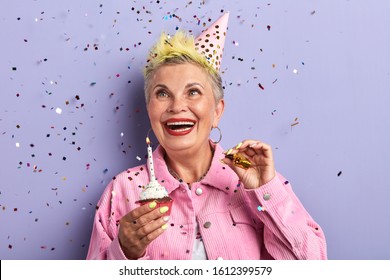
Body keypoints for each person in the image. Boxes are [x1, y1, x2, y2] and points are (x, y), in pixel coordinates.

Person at [86, 13, 327, 260]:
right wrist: (123, 252)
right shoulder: (123, 189)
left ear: (217, 111)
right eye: (162, 94)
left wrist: (266, 191)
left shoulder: (252, 179)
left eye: (193, 92)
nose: (177, 106)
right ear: (150, 111)